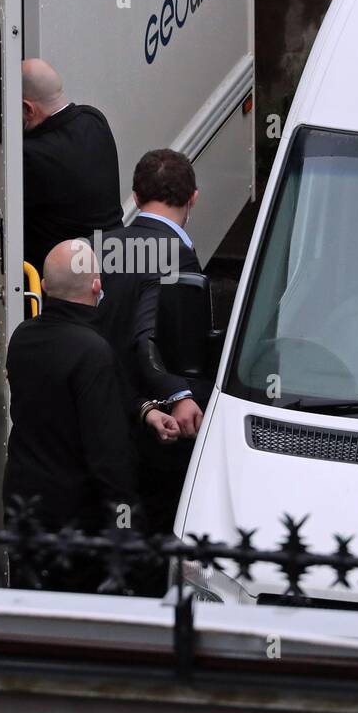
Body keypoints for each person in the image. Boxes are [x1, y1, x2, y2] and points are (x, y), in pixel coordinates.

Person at [5, 239, 178, 591]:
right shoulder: (91, 350)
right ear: (97, 286)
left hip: (24, 501)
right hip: (74, 517)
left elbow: (63, 398)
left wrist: (144, 411)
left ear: (47, 287)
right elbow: (107, 451)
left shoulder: (23, 337)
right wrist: (128, 518)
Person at [96, 150, 208, 535]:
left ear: (136, 196)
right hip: (159, 429)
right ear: (193, 198)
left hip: (106, 412)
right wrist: (180, 393)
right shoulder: (180, 258)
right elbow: (166, 343)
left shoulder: (105, 247)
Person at [21, 59, 124, 272]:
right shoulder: (94, 119)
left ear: (27, 108)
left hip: (69, 279)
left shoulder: (32, 156)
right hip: (115, 260)